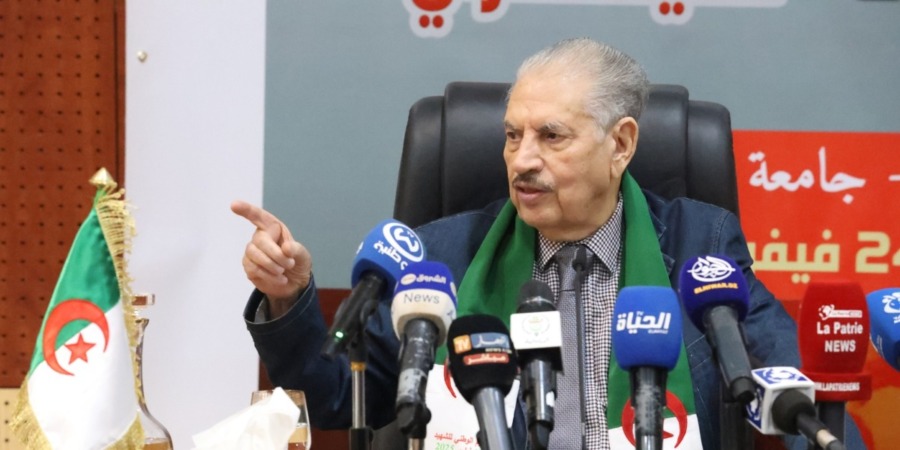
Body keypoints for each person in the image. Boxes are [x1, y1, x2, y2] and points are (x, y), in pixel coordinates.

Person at [234, 38, 864, 449]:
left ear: (620, 145)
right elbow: (340, 398)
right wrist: (290, 297)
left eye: (551, 137)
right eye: (513, 136)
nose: (522, 160)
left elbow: (796, 392)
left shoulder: (701, 247)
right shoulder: (442, 256)